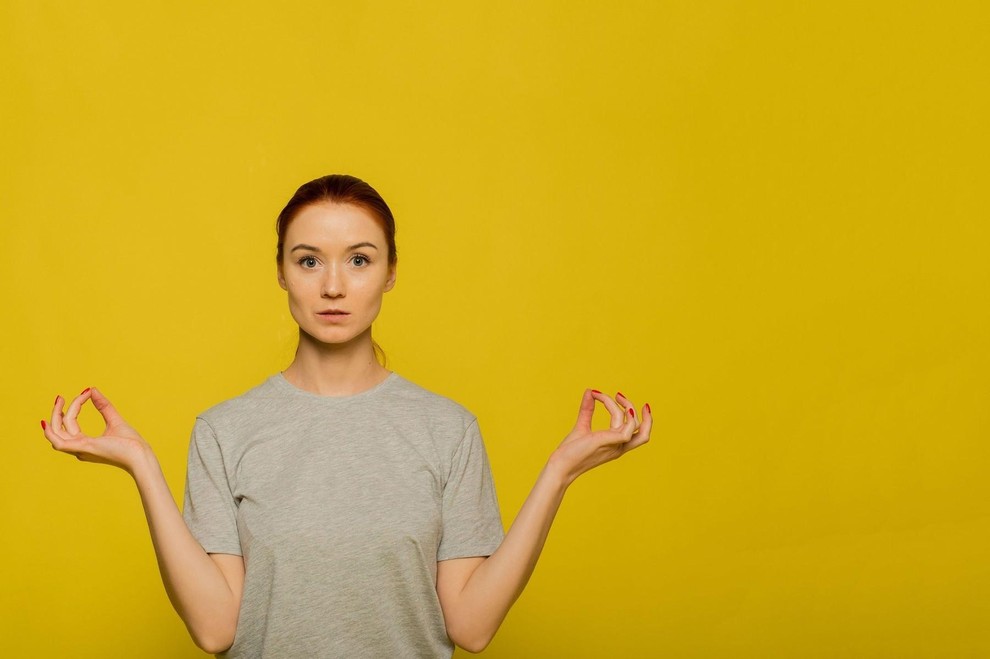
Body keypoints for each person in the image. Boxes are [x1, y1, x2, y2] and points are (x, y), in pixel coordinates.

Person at [40, 174, 653, 658]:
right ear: (281, 272)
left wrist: (560, 473)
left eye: (359, 259)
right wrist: (141, 466)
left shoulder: (447, 429)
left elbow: (472, 626)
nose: (333, 285)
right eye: (309, 261)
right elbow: (214, 629)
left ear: (390, 273)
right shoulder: (224, 431)